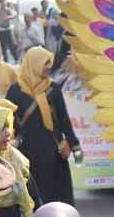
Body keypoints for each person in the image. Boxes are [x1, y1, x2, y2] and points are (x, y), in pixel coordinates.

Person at [7, 46, 79, 207]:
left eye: (49, 63)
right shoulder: (15, 91)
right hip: (26, 151)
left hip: (52, 151)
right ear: (33, 63)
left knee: (54, 193)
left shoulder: (53, 89)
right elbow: (9, 121)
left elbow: (64, 119)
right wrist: (9, 143)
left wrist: (73, 144)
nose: (49, 67)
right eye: (45, 63)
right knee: (31, 194)